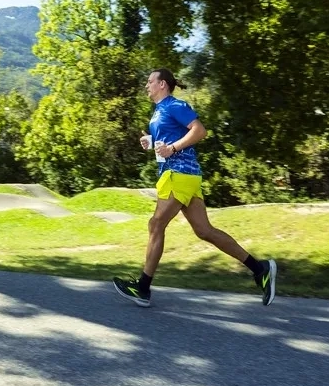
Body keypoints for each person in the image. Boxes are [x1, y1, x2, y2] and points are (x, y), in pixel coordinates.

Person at [113, 69, 277, 308]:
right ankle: (260, 269)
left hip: (178, 173)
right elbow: (171, 137)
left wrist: (172, 149)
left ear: (162, 84)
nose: (146, 85)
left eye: (149, 81)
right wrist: (152, 140)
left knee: (156, 224)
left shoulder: (174, 105)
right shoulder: (160, 110)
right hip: (184, 175)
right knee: (204, 231)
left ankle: (143, 288)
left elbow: (199, 131)